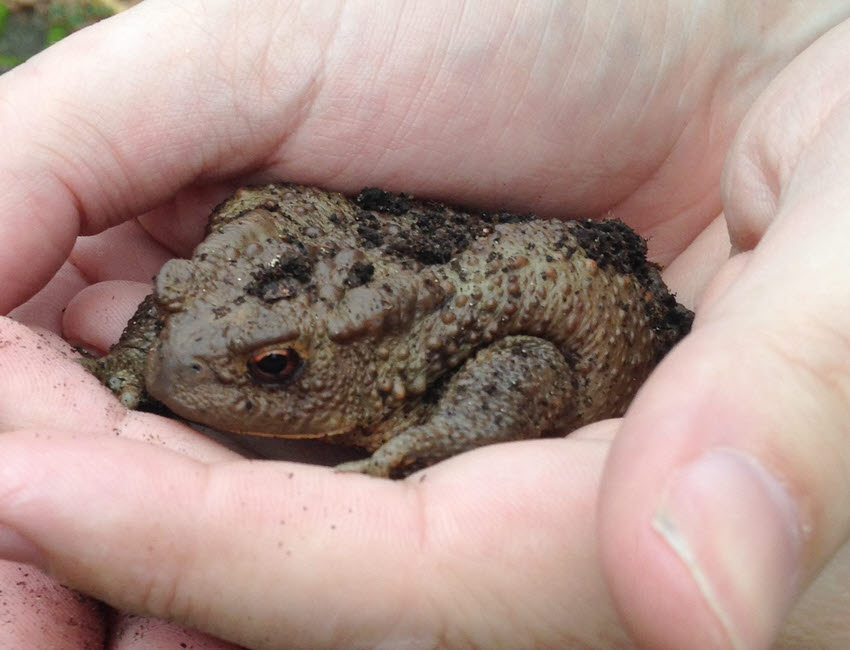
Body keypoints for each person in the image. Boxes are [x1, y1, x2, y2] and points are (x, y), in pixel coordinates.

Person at [1, 1, 850, 647]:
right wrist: (142, 355)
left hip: (582, 300)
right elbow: (196, 294)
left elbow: (535, 365)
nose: (184, 358)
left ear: (346, 365)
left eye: (272, 367)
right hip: (342, 255)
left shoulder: (426, 347)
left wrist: (438, 435)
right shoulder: (237, 279)